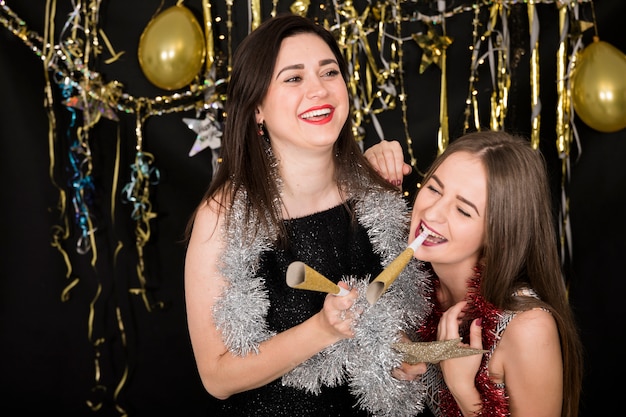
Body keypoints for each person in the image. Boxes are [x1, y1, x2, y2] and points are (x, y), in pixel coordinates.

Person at [184, 14, 430, 417]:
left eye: (329, 72)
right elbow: (217, 377)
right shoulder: (224, 217)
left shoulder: (384, 189)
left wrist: (405, 350)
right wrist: (321, 330)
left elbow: (430, 298)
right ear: (257, 107)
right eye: (293, 78)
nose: (319, 90)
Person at [365, 131, 583, 417]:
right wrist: (363, 170)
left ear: (497, 234)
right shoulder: (409, 280)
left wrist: (463, 390)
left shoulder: (528, 328)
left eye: (463, 211)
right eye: (434, 189)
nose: (432, 214)